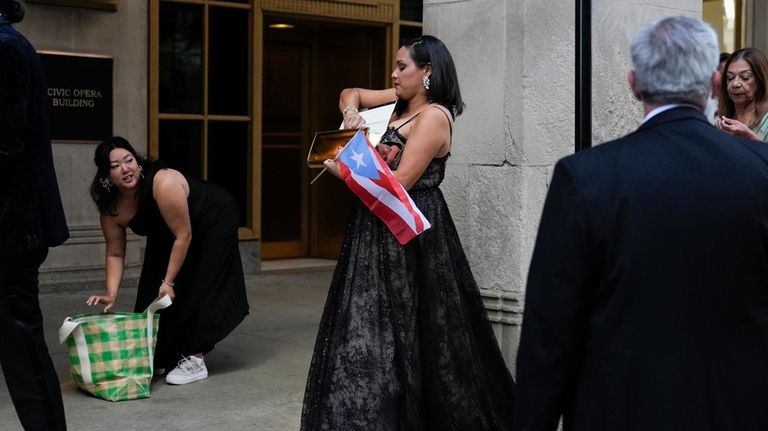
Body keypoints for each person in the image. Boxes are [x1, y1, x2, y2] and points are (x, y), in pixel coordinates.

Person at [513, 16, 768, 431]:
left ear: (634, 84)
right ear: (713, 82)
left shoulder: (586, 177)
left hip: (620, 411)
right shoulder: (760, 170)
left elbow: (550, 333)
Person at [301, 35, 515, 431]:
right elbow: (350, 92)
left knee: (408, 330)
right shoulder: (399, 101)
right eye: (395, 66)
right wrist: (351, 115)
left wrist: (342, 163)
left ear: (427, 72)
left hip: (407, 231)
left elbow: (398, 182)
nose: (394, 73)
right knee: (366, 325)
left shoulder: (434, 116)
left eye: (402, 67)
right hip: (371, 226)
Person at [87, 136, 249, 385]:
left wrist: (170, 281)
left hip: (212, 218)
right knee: (153, 290)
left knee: (199, 284)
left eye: (129, 160)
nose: (126, 169)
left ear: (137, 162)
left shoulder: (163, 182)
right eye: (115, 165)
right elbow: (115, 253)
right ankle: (164, 353)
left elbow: (184, 235)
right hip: (169, 232)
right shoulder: (112, 208)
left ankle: (195, 359)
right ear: (105, 175)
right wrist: (111, 293)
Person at [0, 1, 69, 429]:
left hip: (11, 229)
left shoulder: (6, 47)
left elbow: (6, 147)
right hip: (12, 225)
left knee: (22, 348)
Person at [715, 47, 768, 141]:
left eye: (745, 77)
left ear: (760, 81)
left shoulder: (765, 119)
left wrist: (749, 137)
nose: (735, 84)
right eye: (730, 78)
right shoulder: (721, 118)